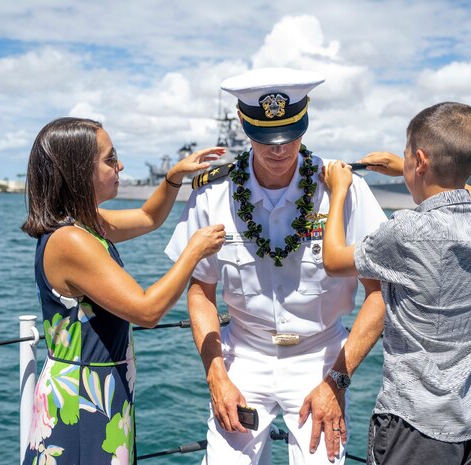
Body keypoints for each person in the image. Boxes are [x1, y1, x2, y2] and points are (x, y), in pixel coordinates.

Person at [165, 67, 388, 464]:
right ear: (242, 123)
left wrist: (337, 379)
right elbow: (200, 289)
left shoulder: (344, 190)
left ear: (306, 121)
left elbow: (379, 294)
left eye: (290, 135)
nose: (279, 149)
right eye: (265, 137)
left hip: (320, 359)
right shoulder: (213, 193)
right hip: (241, 357)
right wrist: (216, 375)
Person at [21, 117, 226, 465]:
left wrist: (173, 177)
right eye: (110, 158)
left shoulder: (86, 225)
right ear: (79, 170)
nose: (121, 165)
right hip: (81, 395)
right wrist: (194, 250)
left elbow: (149, 217)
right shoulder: (71, 239)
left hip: (101, 384)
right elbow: (147, 311)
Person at [321, 102, 471, 465]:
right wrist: (404, 165)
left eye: (407, 156)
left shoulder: (406, 232)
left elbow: (332, 260)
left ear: (420, 161)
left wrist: (338, 190)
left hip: (414, 424)